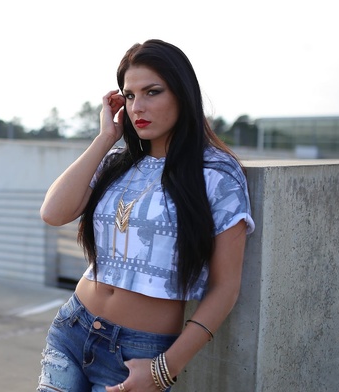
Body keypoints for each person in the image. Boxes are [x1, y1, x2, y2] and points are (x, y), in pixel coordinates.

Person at [37, 39, 255, 392]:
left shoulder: (216, 173)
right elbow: (52, 212)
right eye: (130, 95)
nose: (138, 106)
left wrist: (164, 369)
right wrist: (106, 137)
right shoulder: (116, 163)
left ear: (183, 94)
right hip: (72, 329)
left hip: (138, 352)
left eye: (152, 92)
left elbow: (225, 287)